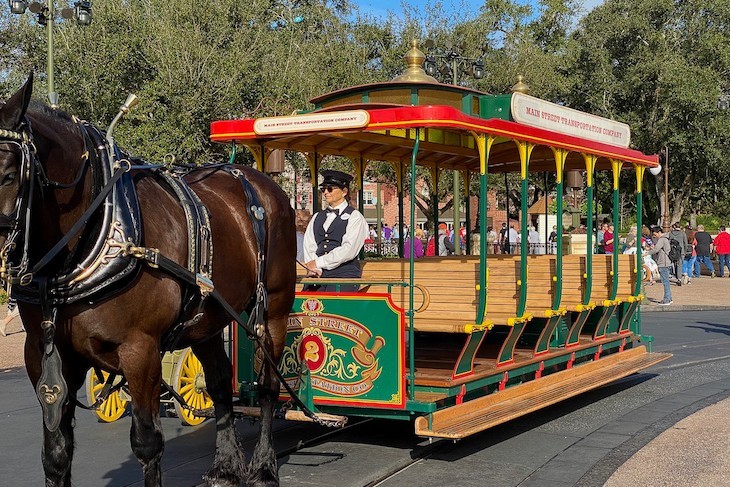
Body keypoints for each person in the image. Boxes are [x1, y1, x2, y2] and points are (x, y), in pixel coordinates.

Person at [302, 169, 369, 292]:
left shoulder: (355, 217)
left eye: (330, 189)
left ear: (344, 191)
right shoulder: (317, 217)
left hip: (344, 275)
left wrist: (319, 262)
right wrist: (315, 268)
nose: (326, 193)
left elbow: (348, 250)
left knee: (332, 308)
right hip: (318, 274)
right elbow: (309, 244)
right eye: (323, 189)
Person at [645, 226, 673, 305]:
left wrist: (648, 253)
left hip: (663, 262)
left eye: (655, 234)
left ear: (659, 232)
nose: (654, 236)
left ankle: (667, 299)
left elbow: (656, 249)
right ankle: (669, 297)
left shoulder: (662, 239)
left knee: (665, 282)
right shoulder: (666, 238)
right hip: (667, 262)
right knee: (666, 281)